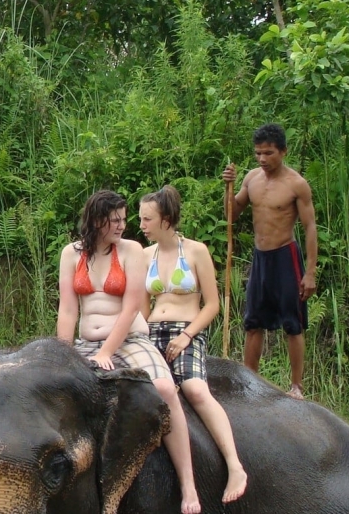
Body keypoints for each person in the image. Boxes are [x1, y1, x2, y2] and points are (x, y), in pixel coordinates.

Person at [57, 190, 202, 514]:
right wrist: (64, 356)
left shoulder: (132, 250)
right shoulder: (71, 253)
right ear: (97, 221)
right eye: (115, 220)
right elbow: (67, 310)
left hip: (129, 339)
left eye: (124, 219)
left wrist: (108, 351)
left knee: (164, 388)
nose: (123, 225)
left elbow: (132, 305)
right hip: (87, 342)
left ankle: (189, 484)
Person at [139, 185, 249, 504]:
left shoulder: (196, 251)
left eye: (148, 219)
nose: (142, 225)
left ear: (167, 219)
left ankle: (234, 465)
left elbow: (212, 305)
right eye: (141, 219)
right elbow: (143, 307)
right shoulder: (145, 255)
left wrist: (187, 335)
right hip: (152, 331)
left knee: (196, 390)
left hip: (186, 330)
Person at [222, 123, 318, 399]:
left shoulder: (296, 184)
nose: (263, 159)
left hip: (285, 255)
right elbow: (232, 213)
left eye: (269, 153)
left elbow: (310, 226)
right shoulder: (251, 179)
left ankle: (296, 386)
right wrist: (228, 187)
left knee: (293, 323)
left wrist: (310, 272)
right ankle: (250, 382)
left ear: (283, 152)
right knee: (253, 321)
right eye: (258, 153)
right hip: (260, 257)